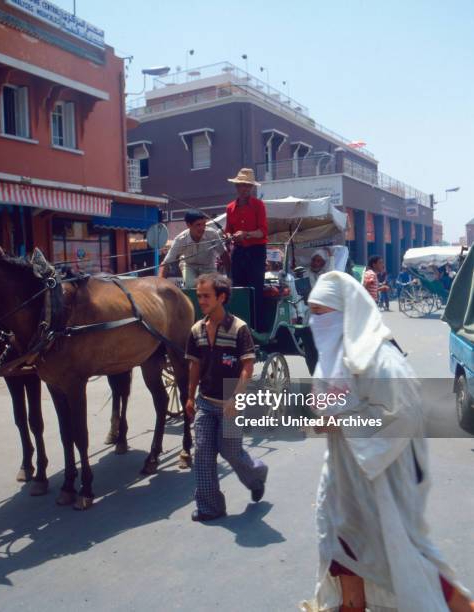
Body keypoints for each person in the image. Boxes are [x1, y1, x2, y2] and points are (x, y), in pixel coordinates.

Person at [301, 271, 474, 612]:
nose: (314, 322)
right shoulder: (331, 358)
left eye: (322, 314)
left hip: (381, 486)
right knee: (346, 569)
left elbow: (403, 416)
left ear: (345, 312)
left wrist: (344, 423)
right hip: (343, 487)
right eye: (313, 313)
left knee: (412, 570)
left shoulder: (383, 360)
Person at [185, 272, 268, 522]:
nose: (201, 301)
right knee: (202, 454)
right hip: (206, 403)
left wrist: (236, 398)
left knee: (232, 452)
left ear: (221, 297)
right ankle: (211, 507)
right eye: (199, 296)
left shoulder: (239, 329)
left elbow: (247, 367)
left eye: (206, 296)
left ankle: (256, 475)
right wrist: (189, 397)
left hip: (232, 404)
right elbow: (195, 366)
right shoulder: (196, 330)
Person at [225, 168, 268, 329]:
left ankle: (257, 326)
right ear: (236, 187)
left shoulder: (258, 205)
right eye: (241, 185)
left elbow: (262, 231)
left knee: (255, 288)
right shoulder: (230, 208)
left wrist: (246, 234)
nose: (244, 189)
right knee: (237, 288)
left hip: (256, 251)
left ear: (251, 188)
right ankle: (239, 326)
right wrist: (228, 236)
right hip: (239, 251)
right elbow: (229, 229)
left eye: (247, 186)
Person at [159, 210, 229, 288]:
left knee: (211, 287)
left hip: (208, 266)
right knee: (190, 286)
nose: (202, 228)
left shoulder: (212, 234)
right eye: (198, 225)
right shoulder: (180, 239)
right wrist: (159, 284)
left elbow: (224, 255)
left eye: (204, 224)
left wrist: (230, 277)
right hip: (189, 266)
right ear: (188, 225)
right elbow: (166, 263)